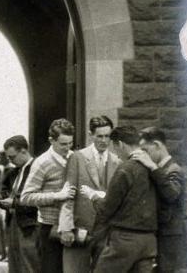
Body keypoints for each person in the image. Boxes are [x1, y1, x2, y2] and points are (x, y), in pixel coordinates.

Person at [80, 126, 158, 272]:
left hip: (125, 240)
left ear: (120, 144)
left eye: (114, 147)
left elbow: (106, 209)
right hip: (149, 241)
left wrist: (93, 196)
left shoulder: (125, 169)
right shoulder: (153, 167)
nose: (116, 154)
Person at [58, 116, 121, 272]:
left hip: (106, 231)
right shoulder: (77, 158)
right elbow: (68, 194)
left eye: (107, 136)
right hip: (81, 229)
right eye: (100, 136)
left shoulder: (117, 161)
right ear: (91, 134)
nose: (104, 140)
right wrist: (66, 227)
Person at [21, 118, 77, 273]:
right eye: (63, 144)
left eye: (70, 143)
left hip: (72, 227)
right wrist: (57, 196)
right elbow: (26, 197)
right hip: (49, 229)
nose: (67, 148)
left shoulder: (75, 158)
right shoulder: (42, 163)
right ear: (51, 141)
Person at [132, 127, 185, 273]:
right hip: (158, 235)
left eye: (145, 150)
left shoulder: (174, 169)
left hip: (169, 237)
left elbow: (172, 194)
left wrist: (153, 167)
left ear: (157, 145)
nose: (144, 155)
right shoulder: (159, 169)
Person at [0, 135, 40, 272]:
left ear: (23, 151)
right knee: (15, 265)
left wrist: (14, 203)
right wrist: (0, 199)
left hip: (30, 226)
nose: (10, 161)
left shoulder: (37, 169)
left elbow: (37, 199)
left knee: (29, 265)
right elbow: (8, 193)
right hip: (14, 223)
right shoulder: (14, 172)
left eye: (12, 157)